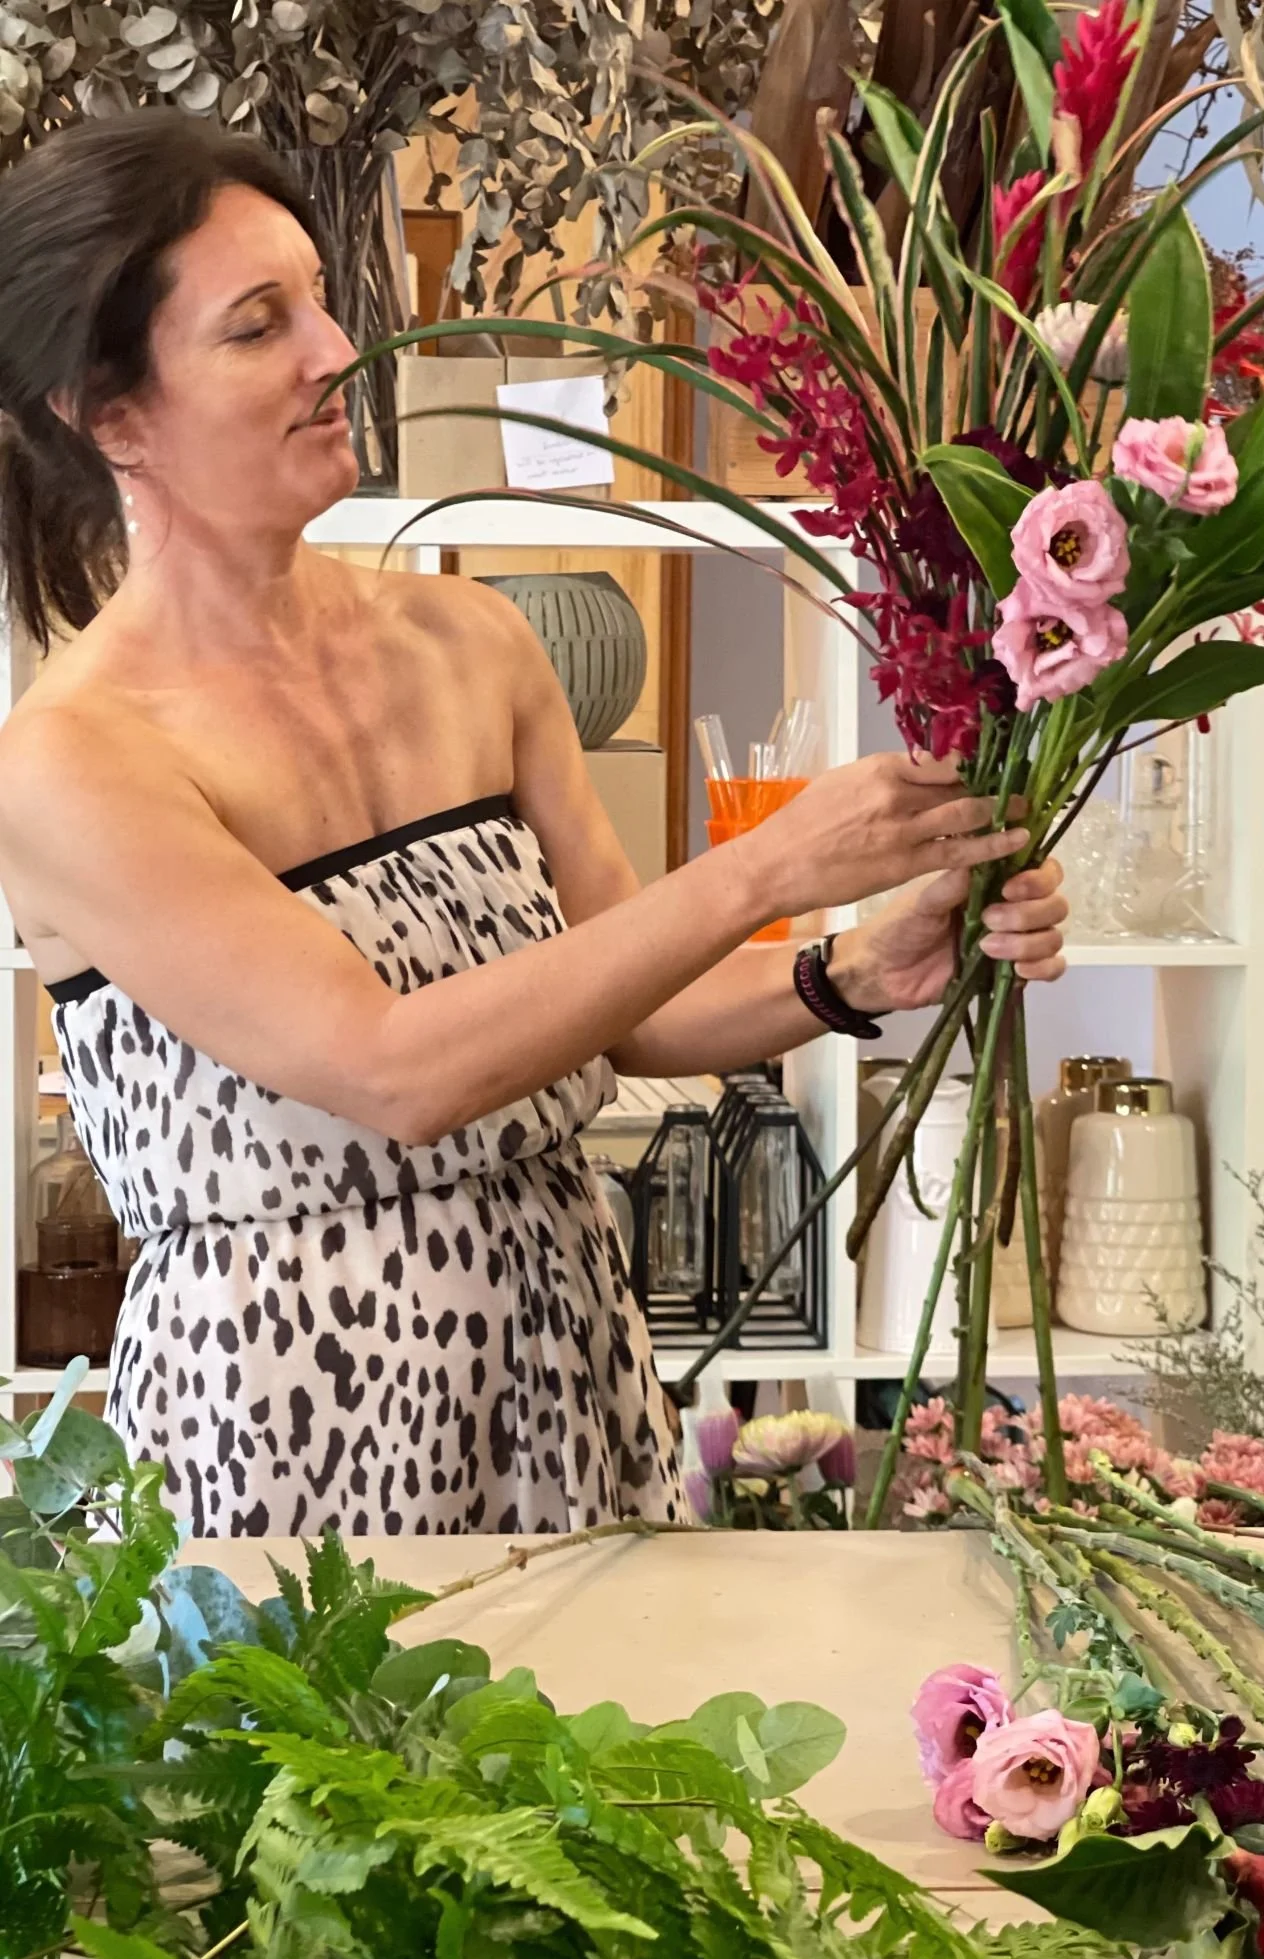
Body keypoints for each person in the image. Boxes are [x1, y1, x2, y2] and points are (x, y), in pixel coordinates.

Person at [0, 112, 1067, 1539]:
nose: (338, 353)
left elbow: (630, 999)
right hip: (288, 1411)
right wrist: (770, 863)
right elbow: (391, 1070)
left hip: (569, 1353)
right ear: (108, 414)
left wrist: (854, 969)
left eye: (322, 300)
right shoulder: (72, 760)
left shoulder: (470, 638)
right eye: (259, 326)